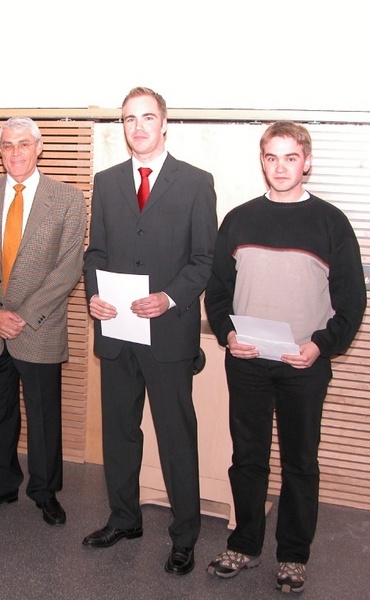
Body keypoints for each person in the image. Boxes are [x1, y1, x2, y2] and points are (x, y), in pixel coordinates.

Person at [204, 121, 366, 593]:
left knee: (300, 462)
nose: (280, 167)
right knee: (248, 458)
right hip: (248, 361)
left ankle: (294, 554)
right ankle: (245, 544)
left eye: (290, 158)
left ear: (306, 162)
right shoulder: (237, 219)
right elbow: (217, 293)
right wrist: (229, 335)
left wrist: (321, 345)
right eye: (272, 158)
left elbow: (352, 301)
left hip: (304, 365)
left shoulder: (331, 222)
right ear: (262, 162)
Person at [82, 87, 218, 575]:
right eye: (128, 119)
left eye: (146, 117)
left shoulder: (196, 183)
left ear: (164, 124)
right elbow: (95, 252)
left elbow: (206, 259)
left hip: (168, 336)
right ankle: (124, 518)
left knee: (176, 437)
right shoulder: (106, 181)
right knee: (119, 433)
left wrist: (168, 297)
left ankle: (185, 536)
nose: (137, 126)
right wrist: (93, 293)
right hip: (117, 331)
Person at [0, 117, 87, 526]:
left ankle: (45, 491)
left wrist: (23, 316)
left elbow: (68, 268)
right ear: (0, 151)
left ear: (39, 147)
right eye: (7, 145)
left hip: (40, 326)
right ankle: (1, 485)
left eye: (24, 144)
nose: (16, 153)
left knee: (44, 416)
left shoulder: (67, 199)